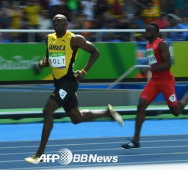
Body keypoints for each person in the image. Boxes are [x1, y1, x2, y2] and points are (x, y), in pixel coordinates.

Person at [25, 14, 124, 164]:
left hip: (69, 82)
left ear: (66, 24)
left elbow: (95, 52)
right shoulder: (49, 39)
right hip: (59, 83)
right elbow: (49, 60)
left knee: (48, 109)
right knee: (77, 118)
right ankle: (107, 113)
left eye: (59, 22)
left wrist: (84, 72)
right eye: (54, 22)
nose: (56, 24)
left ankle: (40, 154)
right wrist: (40, 64)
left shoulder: (74, 39)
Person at [122, 23, 188, 149]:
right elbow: (154, 62)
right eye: (145, 29)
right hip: (154, 81)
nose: (146, 32)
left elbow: (168, 64)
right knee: (141, 106)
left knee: (176, 112)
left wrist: (151, 69)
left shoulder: (162, 44)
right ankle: (135, 140)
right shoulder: (148, 45)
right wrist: (152, 70)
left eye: (149, 30)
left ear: (156, 33)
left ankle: (186, 95)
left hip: (165, 81)